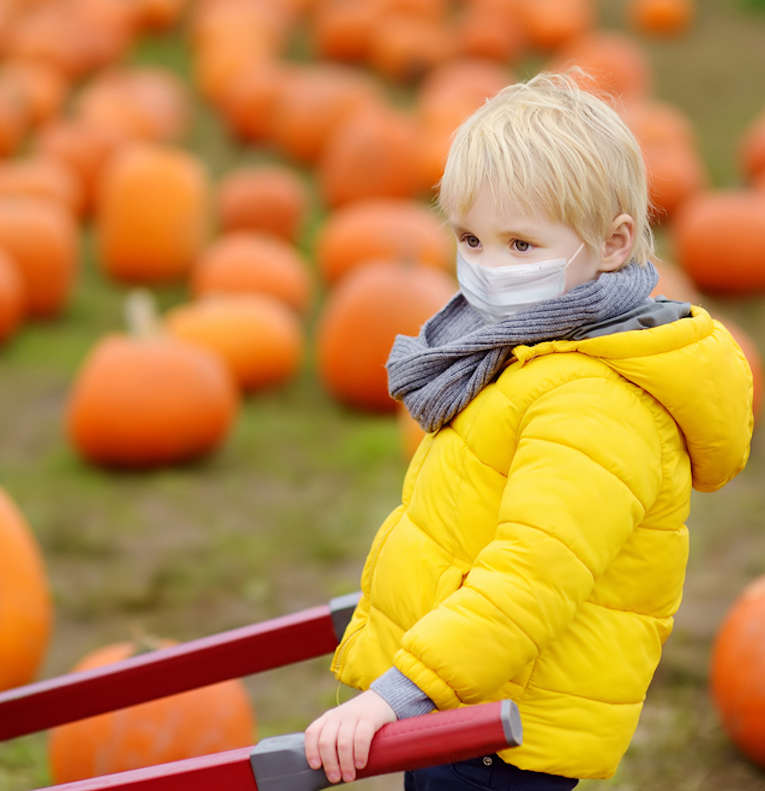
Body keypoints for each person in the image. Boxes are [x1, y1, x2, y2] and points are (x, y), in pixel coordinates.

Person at [304, 71, 755, 790]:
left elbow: (530, 577)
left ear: (612, 244)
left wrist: (396, 694)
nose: (485, 270)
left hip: (508, 731)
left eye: (520, 245)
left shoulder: (596, 401)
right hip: (476, 695)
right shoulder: (533, 351)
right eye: (472, 239)